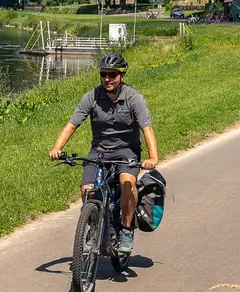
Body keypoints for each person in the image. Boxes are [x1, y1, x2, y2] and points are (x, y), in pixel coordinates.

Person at [48, 53, 160, 254]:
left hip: (127, 152)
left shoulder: (134, 98)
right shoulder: (91, 96)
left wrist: (152, 158)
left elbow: (147, 129)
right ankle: (93, 226)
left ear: (122, 76)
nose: (107, 78)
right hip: (99, 152)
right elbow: (72, 124)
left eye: (112, 74)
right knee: (88, 190)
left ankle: (126, 230)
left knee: (128, 184)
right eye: (103, 74)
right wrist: (57, 148)